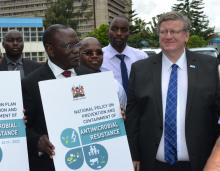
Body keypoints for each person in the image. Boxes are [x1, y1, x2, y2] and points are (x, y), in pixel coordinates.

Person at [125, 11, 220, 171]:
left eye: (174, 31)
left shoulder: (209, 67)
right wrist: (133, 154)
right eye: (163, 32)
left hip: (199, 163)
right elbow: (133, 116)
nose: (168, 36)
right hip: (153, 163)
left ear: (186, 36)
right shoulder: (140, 69)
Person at [22, 24, 93, 171]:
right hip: (52, 164)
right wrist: (37, 141)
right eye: (69, 46)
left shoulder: (91, 76)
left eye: (77, 44)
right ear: (50, 50)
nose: (76, 50)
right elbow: (22, 127)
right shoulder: (31, 83)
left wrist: (115, 114)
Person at [101, 14, 147, 94]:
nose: (119, 33)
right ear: (108, 31)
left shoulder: (141, 57)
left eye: (123, 30)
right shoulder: (98, 57)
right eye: (114, 29)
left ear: (129, 33)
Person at [79, 36, 127, 115]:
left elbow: (122, 109)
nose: (95, 56)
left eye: (99, 52)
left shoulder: (114, 85)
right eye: (88, 53)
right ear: (78, 54)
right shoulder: (68, 82)